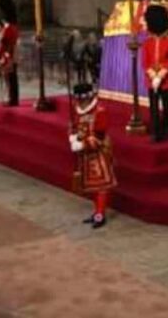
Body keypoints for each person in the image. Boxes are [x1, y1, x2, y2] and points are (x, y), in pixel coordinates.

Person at [68, 82, 116, 229]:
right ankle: (96, 211)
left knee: (101, 185)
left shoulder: (99, 111)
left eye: (82, 101)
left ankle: (100, 214)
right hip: (85, 154)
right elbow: (72, 126)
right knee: (92, 186)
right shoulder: (77, 110)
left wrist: (82, 144)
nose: (80, 103)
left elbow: (99, 137)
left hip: (98, 153)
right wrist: (72, 136)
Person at [143, 5, 168, 142]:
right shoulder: (147, 43)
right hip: (151, 81)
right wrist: (153, 76)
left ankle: (165, 130)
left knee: (166, 107)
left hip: (166, 80)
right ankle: (155, 131)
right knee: (153, 107)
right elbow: (145, 62)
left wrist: (160, 76)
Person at [0, 0, 20, 107]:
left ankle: (12, 98)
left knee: (10, 78)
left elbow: (7, 44)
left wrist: (4, 57)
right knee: (9, 78)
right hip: (7, 55)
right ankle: (11, 98)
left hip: (8, 55)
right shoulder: (7, 26)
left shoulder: (10, 27)